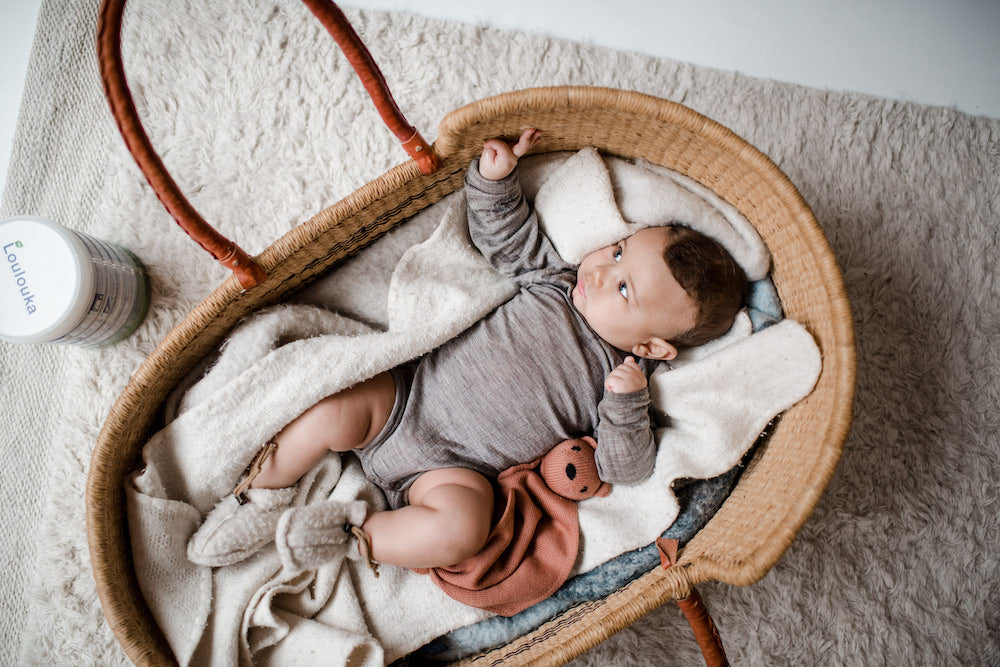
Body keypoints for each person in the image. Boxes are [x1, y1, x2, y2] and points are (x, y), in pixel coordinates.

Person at [188, 129, 747, 573]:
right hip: (404, 400)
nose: (602, 272)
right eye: (620, 251)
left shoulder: (622, 380)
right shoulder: (557, 279)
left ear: (652, 345)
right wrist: (494, 181)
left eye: (625, 289)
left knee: (463, 532)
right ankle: (260, 500)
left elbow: (625, 468)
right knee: (332, 408)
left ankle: (348, 533)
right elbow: (505, 236)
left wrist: (626, 406)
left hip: (454, 472)